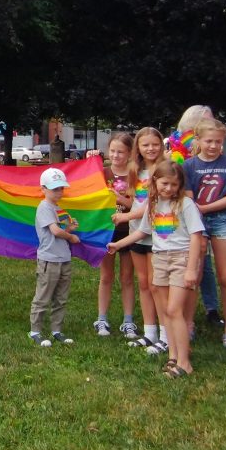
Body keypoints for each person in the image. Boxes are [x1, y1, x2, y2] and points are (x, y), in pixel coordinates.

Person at [109, 160, 204, 378]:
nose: (169, 188)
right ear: (155, 182)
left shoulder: (185, 204)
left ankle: (185, 362)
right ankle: (173, 355)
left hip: (181, 258)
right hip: (159, 259)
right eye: (164, 183)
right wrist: (118, 244)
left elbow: (196, 236)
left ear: (179, 185)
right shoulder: (152, 204)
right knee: (165, 312)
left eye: (173, 184)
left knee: (173, 310)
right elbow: (142, 232)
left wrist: (191, 269)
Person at [184, 118, 226, 350]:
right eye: (208, 141)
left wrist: (206, 208)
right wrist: (198, 212)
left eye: (218, 142)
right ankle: (188, 323)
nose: (213, 146)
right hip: (196, 224)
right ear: (198, 140)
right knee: (194, 275)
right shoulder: (189, 166)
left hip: (221, 221)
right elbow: (188, 196)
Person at [114, 127, 167, 354]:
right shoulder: (136, 170)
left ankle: (166, 335)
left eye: (155, 144)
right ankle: (149, 332)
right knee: (144, 283)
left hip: (158, 234)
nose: (150, 148)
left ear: (161, 145)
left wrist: (126, 216)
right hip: (137, 233)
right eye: (145, 145)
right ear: (139, 148)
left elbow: (153, 204)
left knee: (158, 285)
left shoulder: (166, 169)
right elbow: (135, 200)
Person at [174, 104, 224, 326]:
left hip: (210, 209)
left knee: (206, 263)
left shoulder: (213, 147)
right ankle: (184, 310)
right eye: (208, 118)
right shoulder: (175, 146)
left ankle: (211, 307)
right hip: (184, 210)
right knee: (189, 261)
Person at [91, 133, 138, 339]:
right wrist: (90, 160)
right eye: (112, 151)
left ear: (129, 153)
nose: (116, 155)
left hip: (128, 230)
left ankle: (128, 320)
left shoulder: (135, 175)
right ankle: (102, 318)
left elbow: (137, 205)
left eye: (121, 152)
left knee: (127, 277)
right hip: (106, 230)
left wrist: (118, 197)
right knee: (106, 276)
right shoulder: (102, 172)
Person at [29, 168, 81, 347]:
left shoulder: (58, 209)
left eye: (61, 188)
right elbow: (55, 231)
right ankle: (35, 331)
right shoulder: (44, 207)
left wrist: (69, 229)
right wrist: (71, 237)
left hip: (63, 258)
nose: (59, 192)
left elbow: (60, 230)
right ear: (43, 189)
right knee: (43, 296)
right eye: (54, 188)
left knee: (61, 297)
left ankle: (56, 330)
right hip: (49, 259)